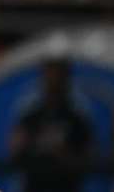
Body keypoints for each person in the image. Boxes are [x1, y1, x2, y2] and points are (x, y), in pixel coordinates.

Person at [10, 58, 92, 192]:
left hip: (66, 186)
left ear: (66, 80)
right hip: (35, 186)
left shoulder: (77, 118)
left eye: (58, 76)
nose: (53, 81)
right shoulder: (31, 116)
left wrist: (63, 155)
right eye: (49, 76)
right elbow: (15, 154)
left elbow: (88, 160)